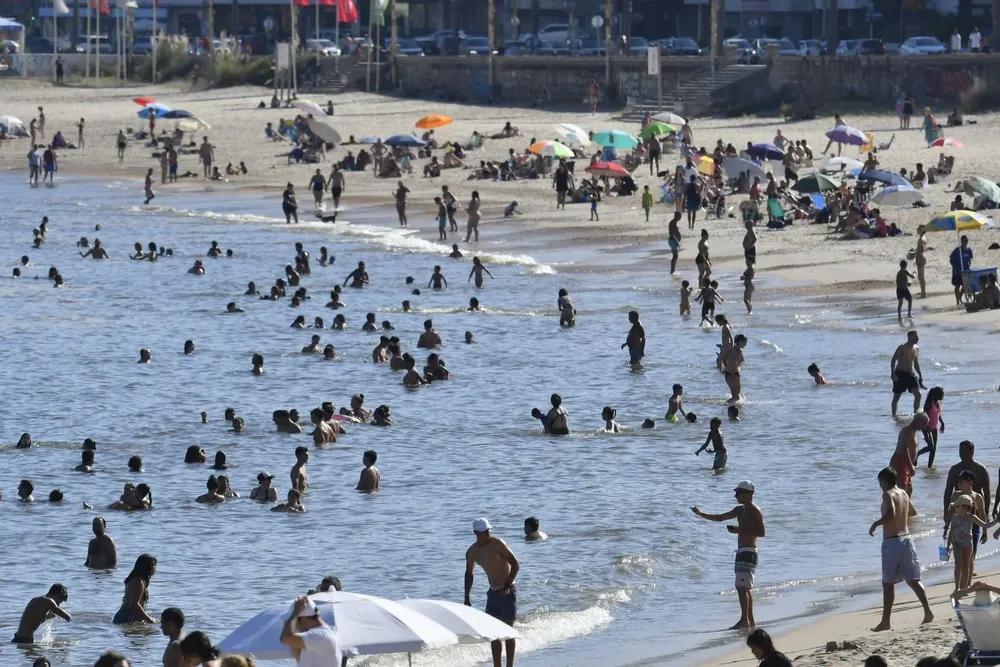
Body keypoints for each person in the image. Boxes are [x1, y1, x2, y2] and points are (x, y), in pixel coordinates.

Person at [691, 481, 765, 629]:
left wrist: (739, 530)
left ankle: (744, 620)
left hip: (749, 551)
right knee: (744, 587)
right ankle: (749, 620)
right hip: (741, 551)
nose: (736, 496)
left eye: (738, 493)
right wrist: (700, 514)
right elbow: (720, 517)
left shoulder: (755, 511)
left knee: (741, 587)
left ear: (748, 494)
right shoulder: (740, 510)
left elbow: (761, 532)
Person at [868, 466, 934, 631]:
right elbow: (912, 512)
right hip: (907, 540)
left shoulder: (887, 494)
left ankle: (886, 622)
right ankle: (927, 611)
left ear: (884, 481)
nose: (880, 486)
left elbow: (891, 514)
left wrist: (876, 523)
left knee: (888, 583)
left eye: (880, 483)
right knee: (913, 579)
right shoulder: (903, 493)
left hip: (892, 542)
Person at [465, 518, 520, 667]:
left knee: (508, 631)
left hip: (508, 590)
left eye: (489, 530)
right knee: (493, 632)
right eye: (485, 531)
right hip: (493, 593)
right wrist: (467, 596)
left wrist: (507, 586)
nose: (489, 532)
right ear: (476, 533)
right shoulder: (472, 552)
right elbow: (469, 575)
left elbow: (515, 564)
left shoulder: (498, 544)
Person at [279, 596, 343, 666]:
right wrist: (291, 627)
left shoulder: (320, 635)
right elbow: (300, 659)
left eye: (295, 622)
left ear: (303, 619)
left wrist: (295, 613)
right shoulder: (326, 633)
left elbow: (285, 639)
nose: (295, 625)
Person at [945, 494, 991, 591]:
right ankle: (957, 588)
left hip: (968, 544)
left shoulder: (972, 517)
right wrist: (948, 546)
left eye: (957, 506)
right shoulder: (955, 518)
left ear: (965, 507)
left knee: (966, 566)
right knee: (958, 566)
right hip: (956, 543)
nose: (955, 508)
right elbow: (951, 533)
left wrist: (997, 521)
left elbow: (985, 525)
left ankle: (964, 588)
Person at [113, 554, 157, 624]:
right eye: (153, 565)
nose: (155, 568)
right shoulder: (138, 581)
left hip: (129, 617)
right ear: (146, 567)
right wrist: (149, 620)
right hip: (127, 618)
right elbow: (135, 604)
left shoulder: (140, 580)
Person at [890, 330, 924, 416]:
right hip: (900, 374)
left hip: (911, 374)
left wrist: (920, 374)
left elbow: (915, 362)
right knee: (896, 397)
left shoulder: (916, 348)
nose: (918, 338)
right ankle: (894, 415)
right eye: (915, 337)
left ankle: (916, 413)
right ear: (910, 337)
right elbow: (893, 360)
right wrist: (893, 373)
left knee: (918, 394)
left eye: (917, 336)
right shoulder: (902, 347)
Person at [915, 387, 945, 467]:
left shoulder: (938, 403)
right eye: (942, 394)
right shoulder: (929, 403)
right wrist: (925, 430)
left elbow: (938, 414)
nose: (943, 396)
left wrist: (942, 423)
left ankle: (929, 467)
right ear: (936, 394)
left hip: (934, 428)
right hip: (926, 428)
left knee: (933, 449)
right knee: (930, 447)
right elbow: (924, 416)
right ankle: (917, 454)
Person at [950, 235, 973, 305]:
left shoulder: (968, 250)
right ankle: (957, 301)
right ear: (961, 241)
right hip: (957, 271)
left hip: (965, 271)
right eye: (964, 241)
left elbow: (970, 259)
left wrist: (968, 265)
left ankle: (960, 297)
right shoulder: (956, 251)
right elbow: (951, 260)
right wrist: (955, 266)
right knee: (957, 286)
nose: (966, 242)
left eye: (967, 241)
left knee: (965, 286)